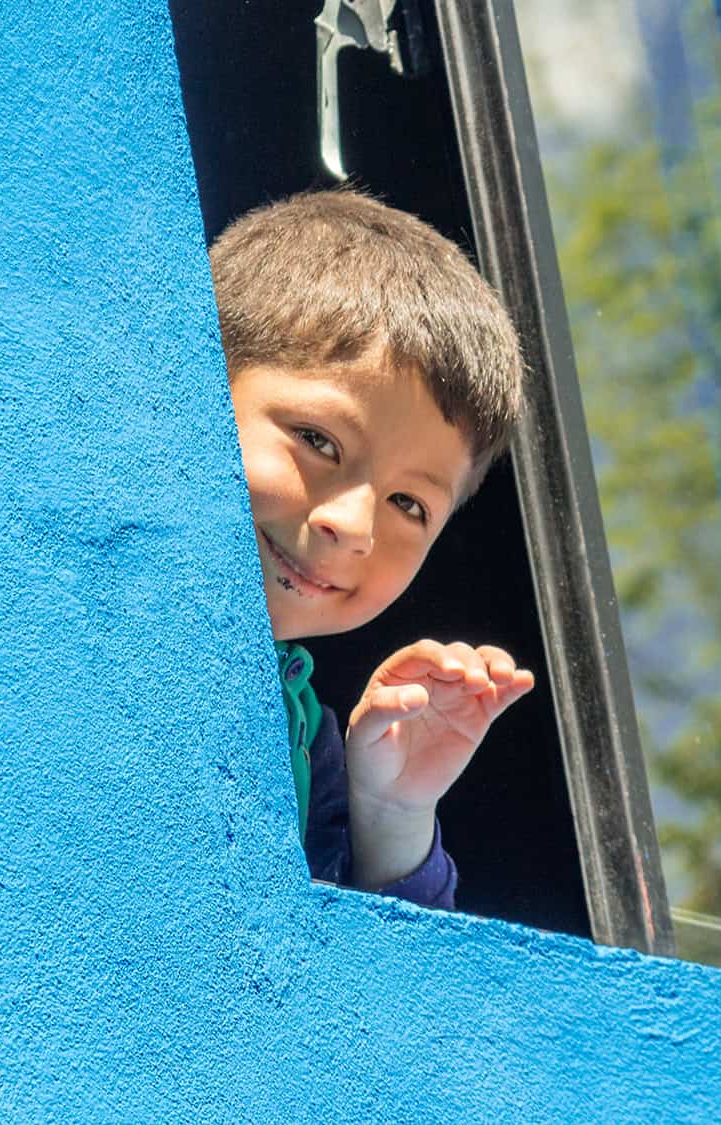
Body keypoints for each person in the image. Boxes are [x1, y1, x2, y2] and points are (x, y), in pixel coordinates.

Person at [208, 190, 534, 910]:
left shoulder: (310, 749)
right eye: (319, 440)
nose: (354, 525)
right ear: (197, 382)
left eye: (409, 504)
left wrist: (391, 812)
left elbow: (387, 1007)